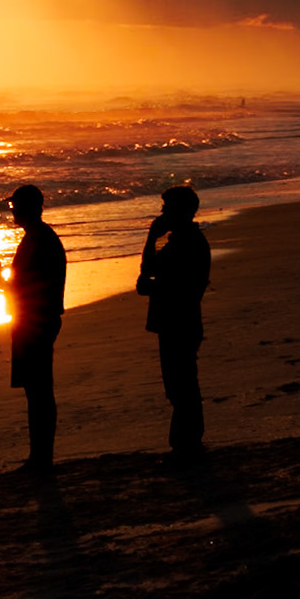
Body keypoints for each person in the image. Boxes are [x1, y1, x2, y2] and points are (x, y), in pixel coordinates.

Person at [137, 186, 212, 460]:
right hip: (180, 319)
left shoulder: (186, 243)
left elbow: (169, 282)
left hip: (178, 320)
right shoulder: (184, 240)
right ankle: (187, 442)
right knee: (180, 383)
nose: (162, 212)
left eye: (166, 208)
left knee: (181, 385)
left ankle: (187, 444)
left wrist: (150, 239)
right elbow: (152, 272)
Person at [0, 184, 66, 476]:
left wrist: (0, 283)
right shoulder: (40, 237)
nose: (12, 211)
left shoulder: (38, 239)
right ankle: (39, 456)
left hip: (35, 321)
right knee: (37, 390)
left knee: (38, 391)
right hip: (37, 319)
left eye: (15, 206)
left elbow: (27, 287)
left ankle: (41, 458)